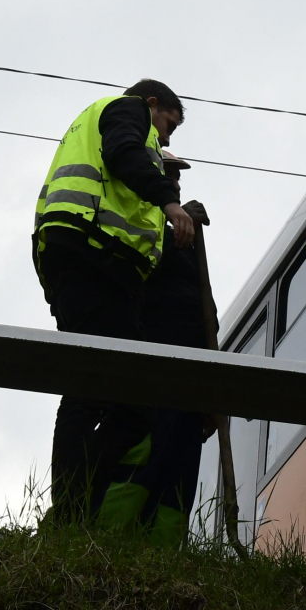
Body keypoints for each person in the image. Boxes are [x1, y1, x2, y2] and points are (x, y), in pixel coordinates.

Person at [33, 79, 195, 524]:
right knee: (95, 391)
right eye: (168, 125)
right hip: (91, 255)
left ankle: (74, 506)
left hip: (94, 262)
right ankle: (69, 512)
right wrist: (169, 202)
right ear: (152, 103)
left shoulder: (112, 131)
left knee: (126, 400)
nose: (165, 139)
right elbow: (124, 154)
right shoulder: (127, 112)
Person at [95, 155, 220, 546]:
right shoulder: (130, 227)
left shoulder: (182, 240)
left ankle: (162, 558)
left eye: (177, 179)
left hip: (193, 372)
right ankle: (104, 544)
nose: (175, 186)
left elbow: (205, 314)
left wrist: (213, 392)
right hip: (151, 367)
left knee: (180, 469)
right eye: (167, 177)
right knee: (141, 456)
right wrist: (174, 231)